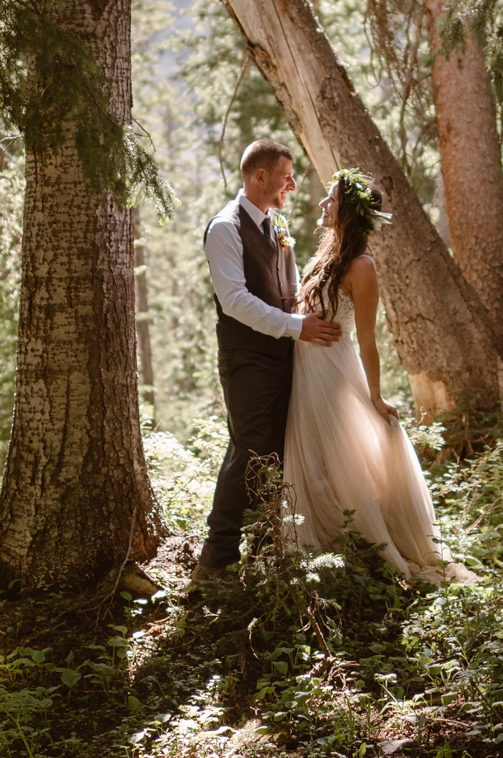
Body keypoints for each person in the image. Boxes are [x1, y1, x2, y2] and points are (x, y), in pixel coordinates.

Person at [281, 168, 474, 584]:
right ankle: (326, 551)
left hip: (332, 372)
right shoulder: (325, 254)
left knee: (337, 456)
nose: (323, 204)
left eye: (331, 199)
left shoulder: (362, 266)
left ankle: (359, 547)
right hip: (306, 368)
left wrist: (375, 395)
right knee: (315, 455)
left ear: (349, 211)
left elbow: (368, 340)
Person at [194, 139, 343, 584]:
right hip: (246, 359)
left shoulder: (276, 223)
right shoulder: (224, 228)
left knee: (276, 450)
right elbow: (236, 301)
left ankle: (264, 548)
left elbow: (289, 285)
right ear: (259, 177)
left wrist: (306, 317)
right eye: (285, 177)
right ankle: (214, 559)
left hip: (283, 356)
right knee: (248, 450)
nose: (293, 186)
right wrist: (298, 327)